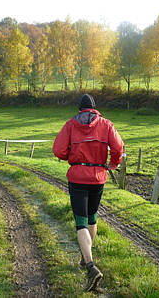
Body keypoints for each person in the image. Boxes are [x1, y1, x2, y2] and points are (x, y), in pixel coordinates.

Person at [53, 94, 124, 291]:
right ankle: (86, 260)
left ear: (80, 109)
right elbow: (118, 146)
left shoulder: (70, 125)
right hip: (99, 176)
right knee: (92, 218)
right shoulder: (106, 124)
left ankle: (90, 266)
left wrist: (72, 157)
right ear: (95, 108)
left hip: (78, 175)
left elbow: (58, 149)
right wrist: (113, 163)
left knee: (81, 222)